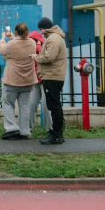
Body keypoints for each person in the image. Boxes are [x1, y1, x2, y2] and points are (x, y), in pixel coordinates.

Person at [0, 23, 37, 140]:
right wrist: (13, 38)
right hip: (28, 80)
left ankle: (11, 128)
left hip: (12, 80)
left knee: (8, 103)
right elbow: (20, 44)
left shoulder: (11, 44)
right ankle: (24, 130)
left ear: (15, 31)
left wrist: (2, 38)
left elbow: (2, 50)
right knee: (24, 105)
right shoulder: (32, 43)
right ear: (27, 32)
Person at [34, 17, 68, 145]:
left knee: (54, 106)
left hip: (52, 76)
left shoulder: (53, 39)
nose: (41, 32)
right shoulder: (55, 37)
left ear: (45, 28)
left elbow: (49, 57)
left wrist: (36, 57)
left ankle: (56, 134)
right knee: (54, 105)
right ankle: (56, 133)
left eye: (41, 29)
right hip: (54, 75)